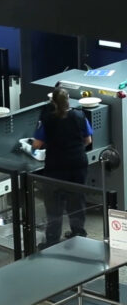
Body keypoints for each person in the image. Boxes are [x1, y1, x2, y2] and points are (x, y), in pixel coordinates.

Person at [32, 87, 92, 248]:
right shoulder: (80, 116)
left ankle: (52, 240)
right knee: (77, 200)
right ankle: (78, 233)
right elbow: (88, 140)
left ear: (53, 102)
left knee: (54, 204)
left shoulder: (47, 119)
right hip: (78, 164)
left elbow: (37, 145)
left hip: (56, 166)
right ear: (68, 101)